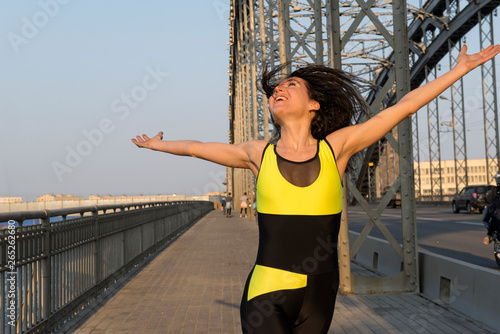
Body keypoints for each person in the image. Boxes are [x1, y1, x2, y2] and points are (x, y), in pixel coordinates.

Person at [132, 44, 500, 334]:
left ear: (313, 105)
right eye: (277, 87)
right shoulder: (258, 153)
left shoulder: (336, 149)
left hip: (320, 294)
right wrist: (156, 145)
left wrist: (458, 70)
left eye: (291, 85)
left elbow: (400, 109)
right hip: (266, 292)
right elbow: (198, 148)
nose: (280, 88)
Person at [483, 172, 500, 244]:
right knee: (494, 217)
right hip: (498, 210)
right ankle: (489, 235)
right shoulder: (496, 190)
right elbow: (495, 202)